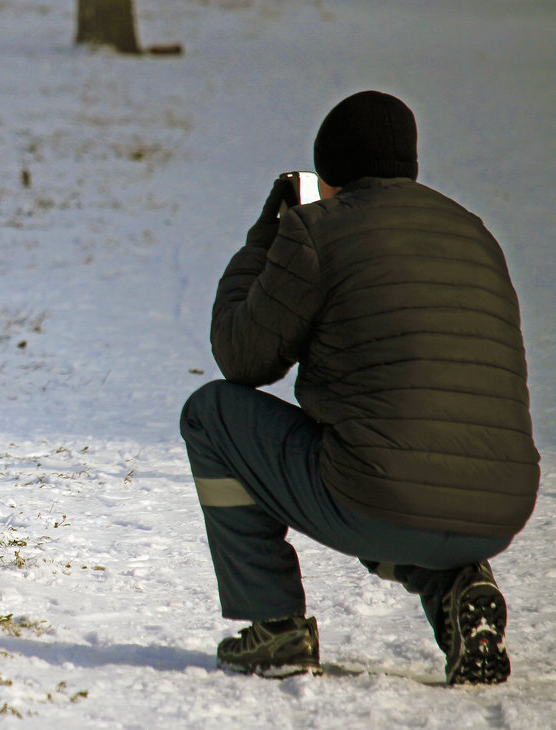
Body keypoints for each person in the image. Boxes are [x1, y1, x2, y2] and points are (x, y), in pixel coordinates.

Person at [179, 90, 539, 684]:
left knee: (212, 415)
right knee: (401, 464)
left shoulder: (319, 231)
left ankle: (277, 630)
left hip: (382, 493)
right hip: (501, 505)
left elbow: (241, 358)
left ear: (330, 173)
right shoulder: (475, 234)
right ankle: (457, 587)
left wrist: (268, 236)